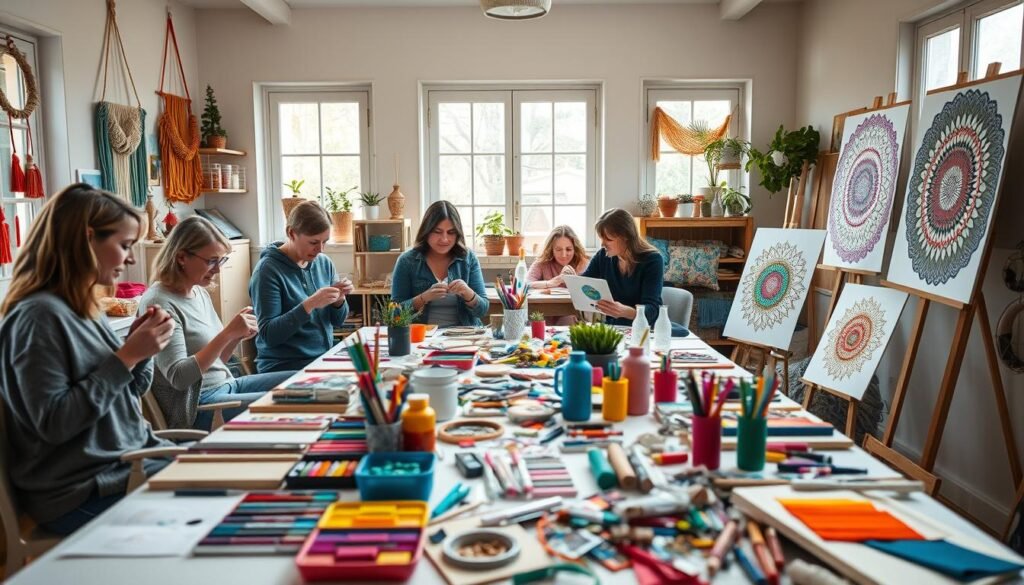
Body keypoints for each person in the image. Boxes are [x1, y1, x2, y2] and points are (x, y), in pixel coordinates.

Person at [0, 183, 176, 535]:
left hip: (130, 464)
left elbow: (127, 392)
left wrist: (142, 352)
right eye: (125, 245)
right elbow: (54, 422)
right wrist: (126, 356)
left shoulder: (83, 307)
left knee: (241, 474)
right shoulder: (36, 318)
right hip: (85, 490)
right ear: (86, 238)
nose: (130, 259)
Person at [140, 216, 297, 430]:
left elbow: (218, 361)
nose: (218, 269)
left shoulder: (198, 292)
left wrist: (235, 336)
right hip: (199, 405)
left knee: (303, 381)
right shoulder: (159, 303)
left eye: (221, 260)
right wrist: (227, 334)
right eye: (211, 261)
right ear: (181, 257)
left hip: (227, 385)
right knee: (293, 402)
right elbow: (179, 378)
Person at [250, 201, 353, 373]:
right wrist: (310, 304)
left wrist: (339, 301)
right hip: (284, 366)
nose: (320, 249)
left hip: (322, 359)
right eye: (313, 242)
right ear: (291, 233)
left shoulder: (324, 263)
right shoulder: (267, 271)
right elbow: (269, 335)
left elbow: (337, 321)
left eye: (325, 242)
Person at [391, 200, 488, 327]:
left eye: (451, 232)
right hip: (422, 339)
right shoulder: (407, 261)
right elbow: (394, 314)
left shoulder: (468, 258)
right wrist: (423, 298)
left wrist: (468, 293)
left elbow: (483, 310)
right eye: (437, 232)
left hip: (465, 337)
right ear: (426, 231)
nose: (444, 239)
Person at [581, 208, 664, 326]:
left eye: (608, 239)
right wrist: (568, 278)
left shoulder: (652, 260)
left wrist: (626, 312)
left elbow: (653, 310)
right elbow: (583, 282)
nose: (602, 244)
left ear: (626, 237)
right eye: (601, 238)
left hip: (643, 329)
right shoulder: (603, 256)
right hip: (614, 327)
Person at [527, 225, 589, 325]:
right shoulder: (542, 262)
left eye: (568, 249)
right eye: (558, 250)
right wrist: (551, 282)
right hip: (543, 313)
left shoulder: (583, 263)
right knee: (536, 320)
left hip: (571, 315)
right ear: (551, 249)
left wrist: (576, 282)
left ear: (575, 249)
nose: (564, 255)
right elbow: (525, 284)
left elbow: (590, 294)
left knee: (568, 320)